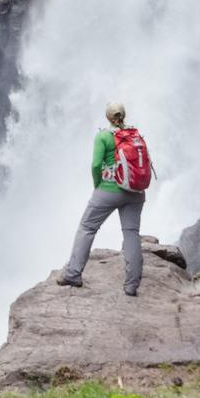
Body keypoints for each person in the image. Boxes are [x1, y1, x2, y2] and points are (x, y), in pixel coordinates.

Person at [56, 102, 145, 297]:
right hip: (136, 191)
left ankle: (73, 274)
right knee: (131, 233)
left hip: (109, 190)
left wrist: (97, 184)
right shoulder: (135, 134)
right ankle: (131, 286)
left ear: (108, 117)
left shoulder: (104, 135)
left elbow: (96, 164)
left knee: (87, 228)